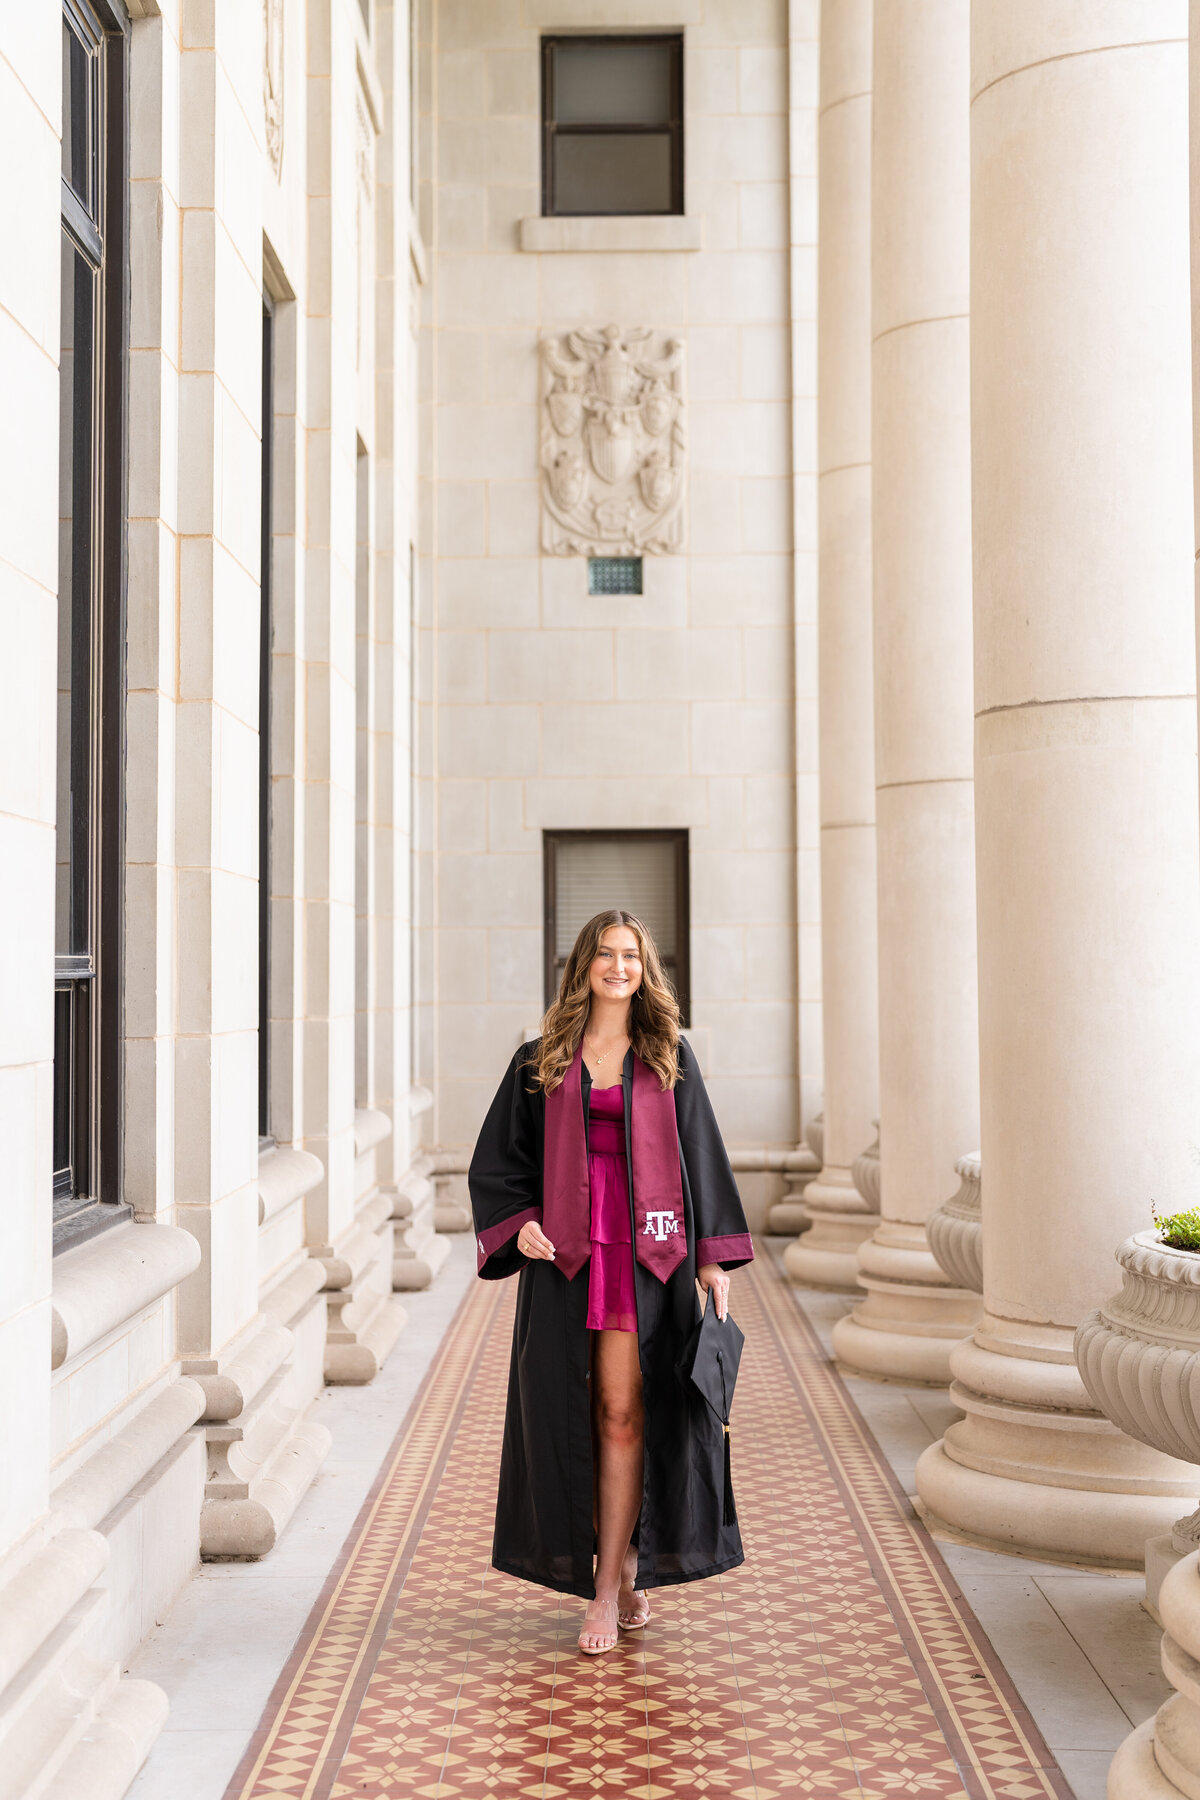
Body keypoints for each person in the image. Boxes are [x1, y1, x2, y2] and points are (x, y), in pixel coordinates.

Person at [469, 909, 753, 1655]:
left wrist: (712, 1261)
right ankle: (609, 1557)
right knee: (573, 1412)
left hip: (644, 1258)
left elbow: (701, 1160)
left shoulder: (667, 1058)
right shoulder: (542, 1060)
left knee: (626, 1413)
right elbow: (501, 1165)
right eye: (605, 953)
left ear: (645, 968)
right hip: (567, 1257)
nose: (618, 967)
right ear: (584, 965)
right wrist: (519, 1220)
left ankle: (611, 1583)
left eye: (630, 955)